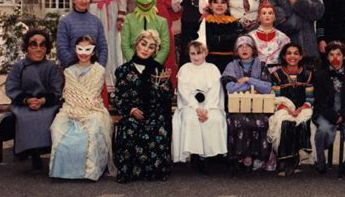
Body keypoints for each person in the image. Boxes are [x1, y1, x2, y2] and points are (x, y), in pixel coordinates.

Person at [49, 35, 115, 181]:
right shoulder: (69, 71)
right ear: (75, 50)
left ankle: (89, 172)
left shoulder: (99, 71)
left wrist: (81, 110)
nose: (84, 53)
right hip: (70, 109)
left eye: (88, 49)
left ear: (93, 51)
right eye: (80, 49)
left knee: (93, 129)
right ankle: (62, 171)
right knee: (57, 128)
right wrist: (74, 111)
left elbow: (91, 95)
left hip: (93, 109)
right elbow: (71, 95)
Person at [114, 30, 173, 183]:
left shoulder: (158, 69)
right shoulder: (123, 70)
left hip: (154, 113)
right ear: (137, 44)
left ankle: (154, 171)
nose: (146, 49)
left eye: (151, 47)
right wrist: (131, 109)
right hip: (132, 112)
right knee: (129, 128)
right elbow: (119, 96)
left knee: (156, 129)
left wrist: (164, 84)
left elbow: (166, 98)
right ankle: (128, 172)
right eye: (143, 44)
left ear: (155, 51)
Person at [120, 0, 179, 87]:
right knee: (144, 49)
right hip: (144, 18)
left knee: (166, 49)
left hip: (163, 18)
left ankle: (167, 86)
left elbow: (173, 4)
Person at [5, 29, 63, 170]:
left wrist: (42, 101)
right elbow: (12, 87)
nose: (38, 49)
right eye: (33, 45)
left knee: (45, 117)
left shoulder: (52, 68)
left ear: (47, 49)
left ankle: (39, 150)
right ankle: (26, 150)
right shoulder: (19, 67)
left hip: (46, 104)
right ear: (27, 48)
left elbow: (57, 90)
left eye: (42, 45)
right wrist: (27, 100)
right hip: (23, 104)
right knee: (24, 117)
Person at [78, 0, 126, 91]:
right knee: (93, 43)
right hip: (92, 10)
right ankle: (93, 84)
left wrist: (121, 14)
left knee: (112, 44)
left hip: (111, 10)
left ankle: (113, 85)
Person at [172, 41, 227, 174]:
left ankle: (207, 156)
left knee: (215, 119)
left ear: (205, 53)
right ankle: (194, 154)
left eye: (199, 53)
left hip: (210, 105)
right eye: (193, 54)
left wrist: (206, 109)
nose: (196, 57)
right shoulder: (185, 69)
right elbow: (184, 92)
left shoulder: (212, 68)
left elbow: (215, 91)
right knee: (190, 119)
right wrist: (197, 108)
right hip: (190, 105)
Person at [221, 35, 273, 173]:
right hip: (237, 107)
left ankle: (258, 157)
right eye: (240, 46)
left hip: (258, 106)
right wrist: (253, 86)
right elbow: (230, 88)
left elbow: (267, 88)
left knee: (262, 120)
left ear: (253, 49)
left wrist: (248, 79)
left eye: (248, 46)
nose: (244, 49)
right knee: (238, 120)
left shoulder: (261, 65)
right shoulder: (231, 66)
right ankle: (241, 155)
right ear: (236, 50)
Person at [312, 41, 345, 175]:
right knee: (322, 130)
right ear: (327, 57)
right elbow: (319, 101)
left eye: (338, 55)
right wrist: (333, 116)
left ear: (344, 57)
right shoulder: (319, 76)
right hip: (327, 112)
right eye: (331, 55)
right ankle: (320, 161)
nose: (335, 58)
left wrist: (343, 115)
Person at [268, 42, 313, 176]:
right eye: (288, 53)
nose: (292, 56)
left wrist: (301, 109)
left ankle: (296, 159)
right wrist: (287, 109)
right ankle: (283, 161)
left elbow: (310, 97)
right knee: (285, 122)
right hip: (283, 107)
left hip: (302, 107)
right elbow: (275, 98)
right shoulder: (276, 75)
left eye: (296, 53)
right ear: (283, 56)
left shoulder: (308, 74)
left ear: (300, 56)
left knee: (303, 121)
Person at [57, 0, 108, 69]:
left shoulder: (96, 21)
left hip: (93, 71)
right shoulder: (65, 22)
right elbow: (61, 48)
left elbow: (103, 47)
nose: (83, 1)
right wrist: (74, 68)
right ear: (73, 0)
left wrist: (99, 67)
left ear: (90, 0)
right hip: (72, 71)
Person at [121, 0, 170, 65]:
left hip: (153, 65)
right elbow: (125, 44)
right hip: (132, 64)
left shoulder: (162, 22)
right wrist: (133, 62)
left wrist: (155, 64)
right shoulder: (129, 19)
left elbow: (165, 47)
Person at [197, 0, 241, 73]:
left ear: (227, 5)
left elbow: (234, 39)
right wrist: (226, 38)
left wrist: (218, 38)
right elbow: (210, 41)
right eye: (216, 2)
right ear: (210, 5)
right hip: (211, 60)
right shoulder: (206, 22)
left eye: (223, 2)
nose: (219, 5)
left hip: (230, 60)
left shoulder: (233, 22)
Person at [249, 3, 290, 69]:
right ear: (259, 18)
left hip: (278, 73)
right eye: (264, 13)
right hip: (256, 72)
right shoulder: (250, 37)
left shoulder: (283, 38)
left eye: (270, 13)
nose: (267, 15)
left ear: (274, 18)